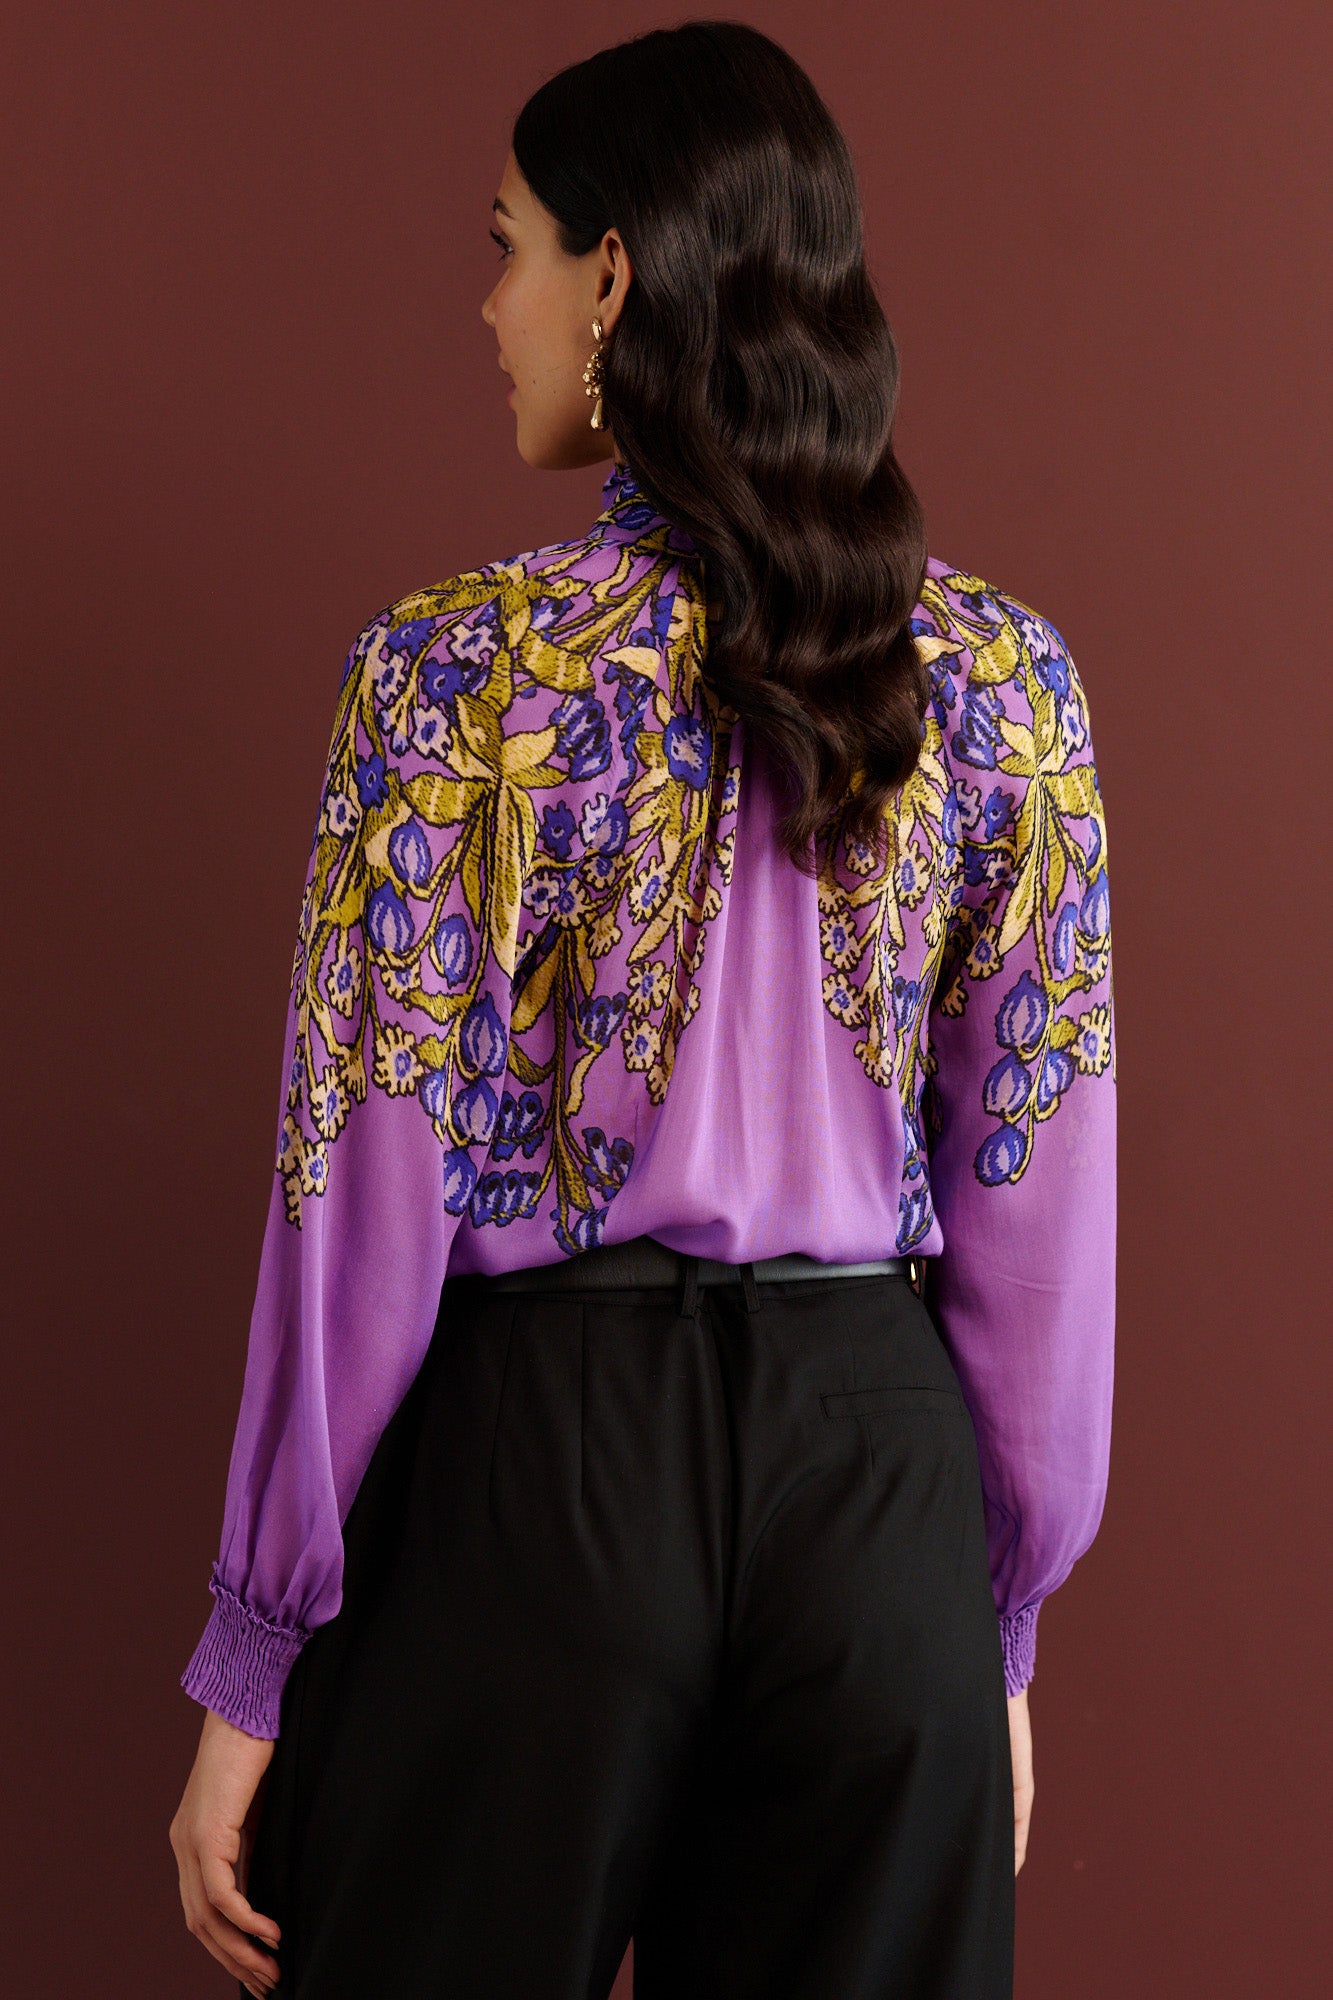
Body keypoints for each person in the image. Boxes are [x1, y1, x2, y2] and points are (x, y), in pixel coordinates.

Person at [169, 21, 1116, 2000]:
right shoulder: (1009, 688)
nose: (483, 302)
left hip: (542, 1468)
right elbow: (1036, 1186)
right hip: (878, 1485)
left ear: (611, 278)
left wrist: (253, 1660)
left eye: (505, 243)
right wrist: (988, 1619)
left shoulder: (449, 681)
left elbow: (361, 1185)